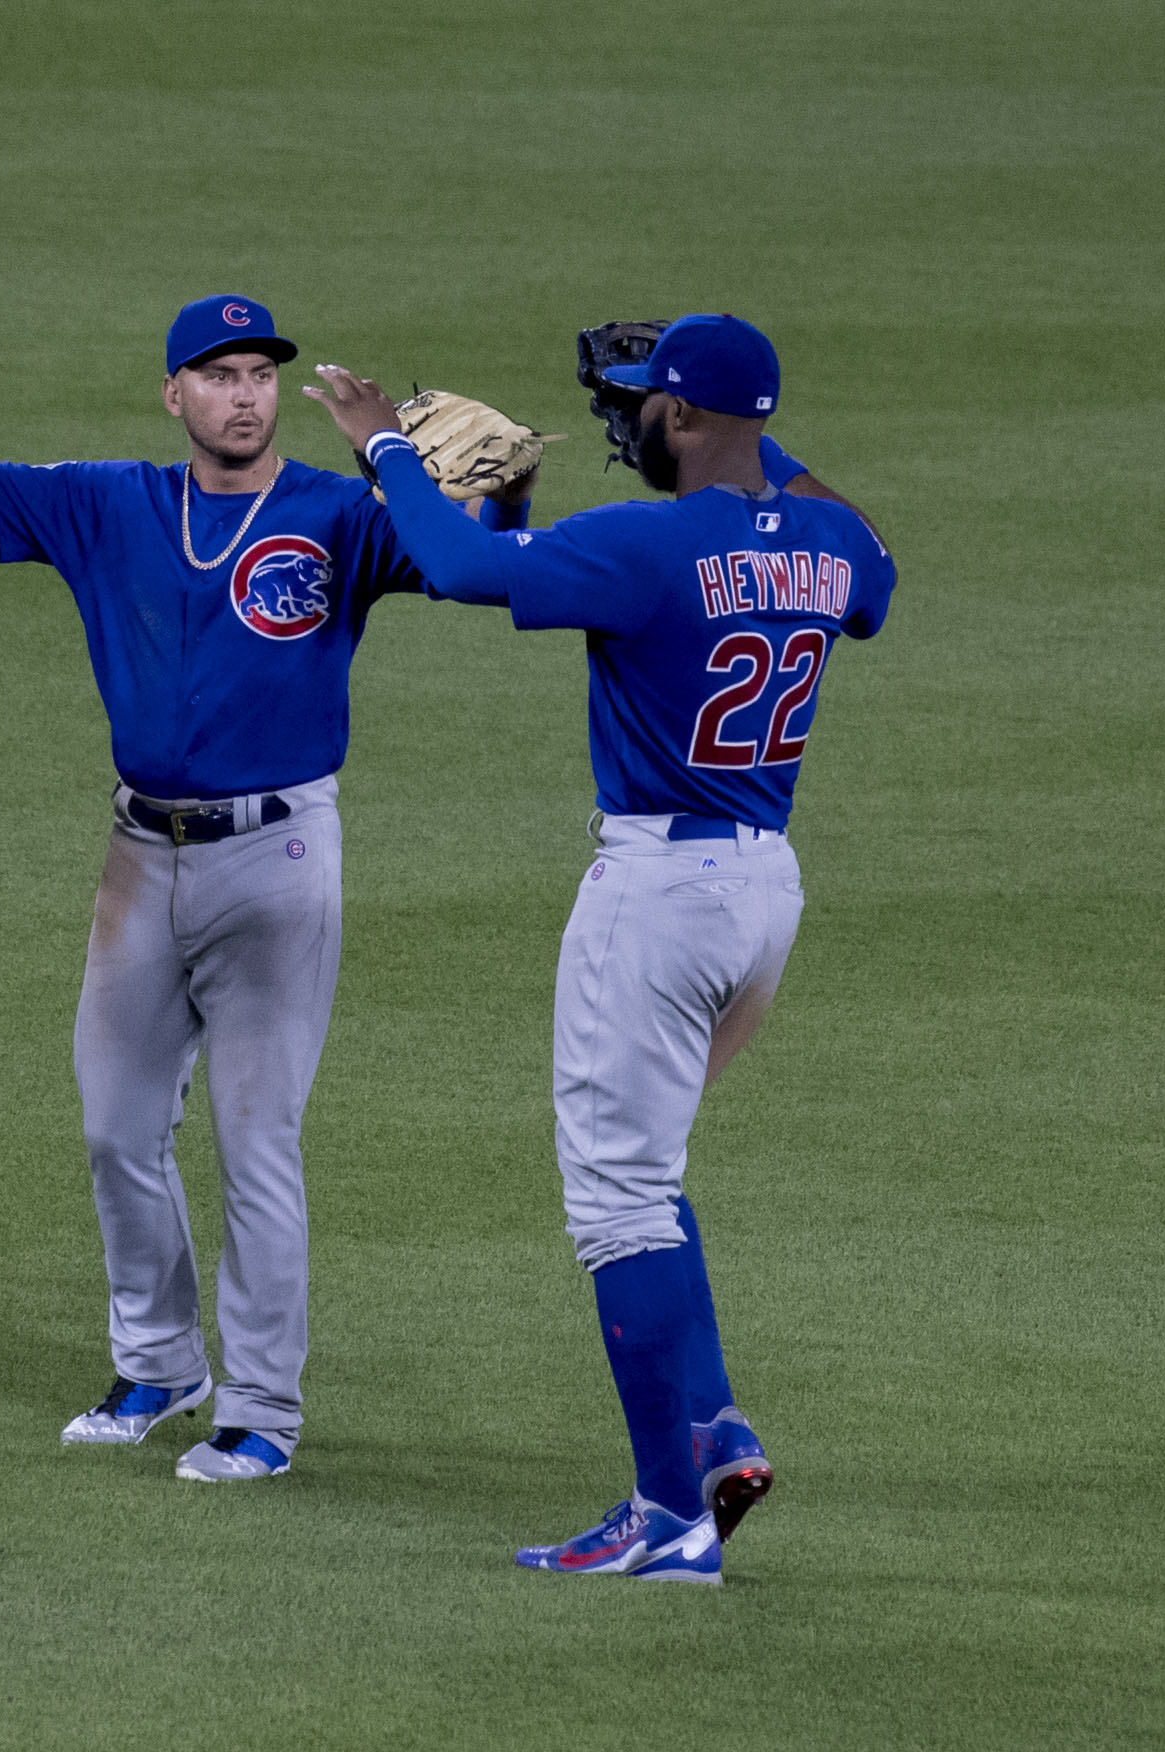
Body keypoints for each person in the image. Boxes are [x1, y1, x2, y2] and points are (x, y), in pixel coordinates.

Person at [0, 296, 527, 1481]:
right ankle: (158, 1362)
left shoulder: (335, 515)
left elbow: (480, 570)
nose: (245, 395)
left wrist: (489, 487)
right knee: (115, 1127)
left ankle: (260, 1411)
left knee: (258, 1144)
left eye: (259, 375)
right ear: (174, 396)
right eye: (219, 375)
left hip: (279, 858)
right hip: (138, 856)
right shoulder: (112, 505)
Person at [306, 313, 896, 1579]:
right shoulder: (829, 540)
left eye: (643, 406)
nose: (626, 424)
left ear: (682, 418)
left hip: (659, 893)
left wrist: (383, 452)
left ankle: (666, 1512)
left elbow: (464, 571)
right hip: (765, 892)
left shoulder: (642, 544)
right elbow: (877, 579)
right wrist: (754, 445)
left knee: (616, 1199)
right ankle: (713, 1426)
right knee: (651, 1172)